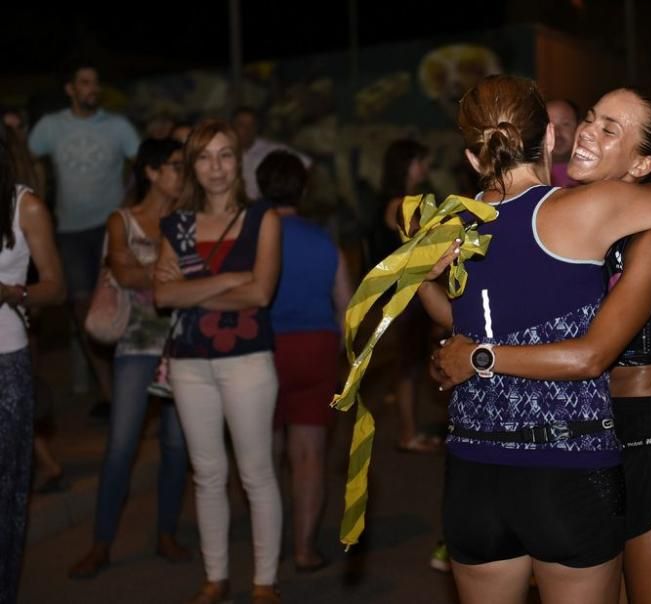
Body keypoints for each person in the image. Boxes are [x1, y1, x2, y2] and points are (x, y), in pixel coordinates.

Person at [415, 74, 651, 603]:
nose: (585, 133)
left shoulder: (648, 235)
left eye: (609, 129)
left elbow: (590, 353)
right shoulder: (563, 217)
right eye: (589, 119)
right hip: (581, 439)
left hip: (646, 441)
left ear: (642, 166)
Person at [154, 120, 283, 604]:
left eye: (225, 155)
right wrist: (232, 281)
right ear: (192, 164)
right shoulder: (177, 224)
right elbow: (163, 295)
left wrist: (194, 292)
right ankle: (215, 577)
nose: (215, 166)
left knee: (256, 472)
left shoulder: (262, 219)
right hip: (190, 361)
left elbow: (262, 291)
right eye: (205, 156)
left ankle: (264, 581)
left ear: (238, 161)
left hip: (248, 360)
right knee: (207, 473)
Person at [68, 139, 191, 578]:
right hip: (136, 346)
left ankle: (166, 534)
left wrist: (152, 271)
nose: (184, 174)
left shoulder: (186, 221)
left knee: (177, 447)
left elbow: (192, 274)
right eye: (177, 166)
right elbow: (122, 273)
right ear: (152, 172)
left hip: (181, 345)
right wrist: (168, 270)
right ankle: (101, 543)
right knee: (120, 447)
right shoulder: (121, 220)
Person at [256, 150, 352, 572]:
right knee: (309, 455)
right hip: (315, 348)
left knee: (267, 452)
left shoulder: (254, 237)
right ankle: (304, 548)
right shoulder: (323, 241)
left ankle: (270, 543)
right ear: (304, 188)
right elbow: (347, 308)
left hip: (264, 348)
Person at [28, 64, 141, 417]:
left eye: (96, 82)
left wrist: (127, 205)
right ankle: (110, 394)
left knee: (119, 306)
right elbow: (26, 158)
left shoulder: (118, 127)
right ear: (70, 89)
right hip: (70, 231)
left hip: (111, 230)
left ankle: (128, 388)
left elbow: (142, 164)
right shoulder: (51, 127)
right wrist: (40, 199)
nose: (93, 88)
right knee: (82, 311)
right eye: (85, 83)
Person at [0, 122, 66, 603]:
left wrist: (10, 292)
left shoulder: (26, 206)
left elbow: (56, 287)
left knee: (6, 499)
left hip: (5, 362)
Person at [372, 139, 440, 452]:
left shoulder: (402, 200)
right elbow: (421, 245)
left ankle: (409, 429)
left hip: (408, 292)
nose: (426, 167)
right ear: (408, 165)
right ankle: (408, 433)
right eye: (421, 161)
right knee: (408, 363)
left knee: (409, 361)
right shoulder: (401, 204)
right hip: (407, 294)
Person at [231, 107, 311, 200]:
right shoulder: (222, 151)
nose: (247, 130)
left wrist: (297, 196)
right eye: (242, 125)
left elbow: (307, 163)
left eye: (251, 125)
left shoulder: (270, 149)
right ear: (232, 127)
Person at [547, 98, 579, 188]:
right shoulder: (529, 175)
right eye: (549, 126)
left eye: (565, 124)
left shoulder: (594, 175)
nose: (557, 133)